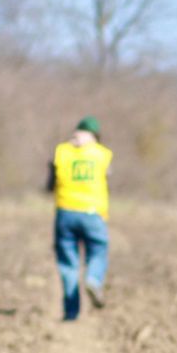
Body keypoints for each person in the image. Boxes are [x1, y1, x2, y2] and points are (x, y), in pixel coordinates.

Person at [46, 116, 112, 321]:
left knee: (68, 264)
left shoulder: (61, 152)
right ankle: (93, 278)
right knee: (98, 250)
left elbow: (50, 185)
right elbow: (107, 178)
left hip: (65, 212)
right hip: (93, 213)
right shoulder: (102, 154)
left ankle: (71, 312)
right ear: (95, 136)